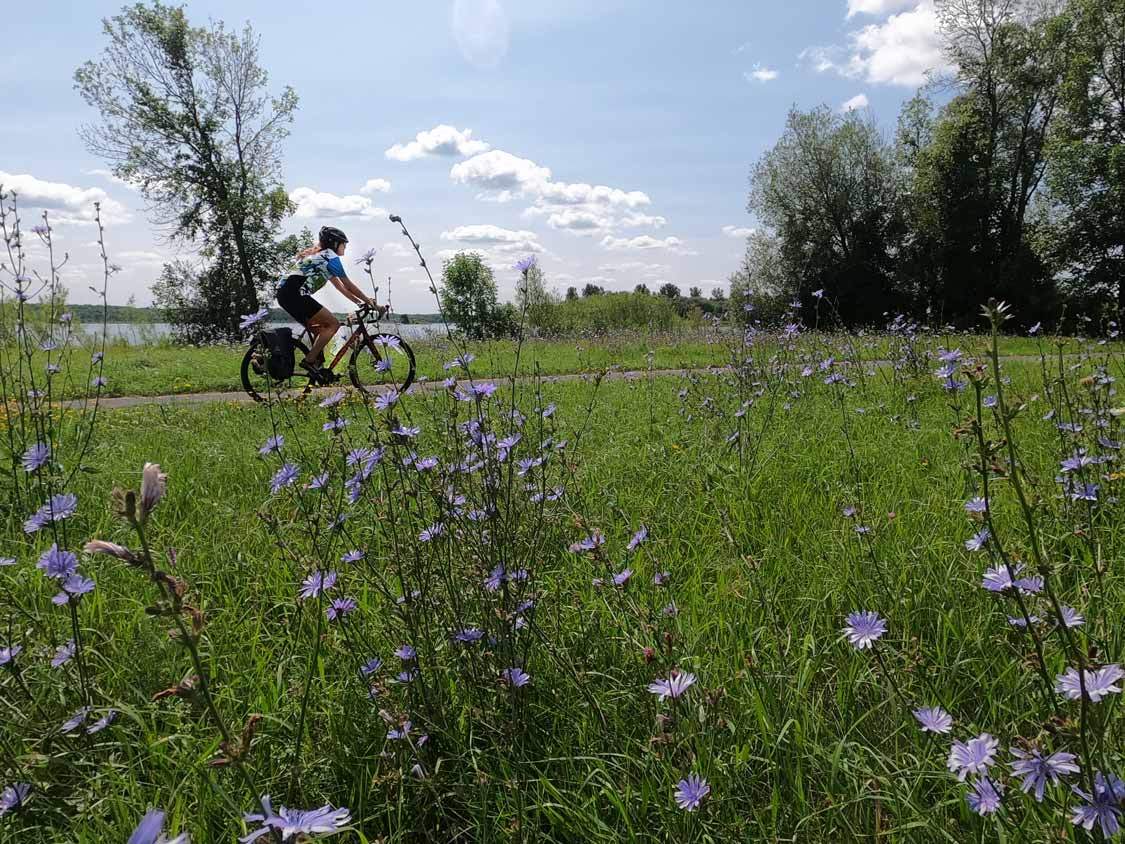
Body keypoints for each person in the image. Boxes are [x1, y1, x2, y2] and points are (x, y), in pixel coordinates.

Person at [276, 226, 379, 383]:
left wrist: (359, 302)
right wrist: (370, 302)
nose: (346, 247)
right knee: (333, 324)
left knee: (321, 329)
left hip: (286, 295)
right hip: (294, 295)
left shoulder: (321, 257)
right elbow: (348, 284)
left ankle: (316, 369)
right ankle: (309, 361)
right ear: (335, 243)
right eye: (344, 244)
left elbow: (341, 288)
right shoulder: (330, 257)